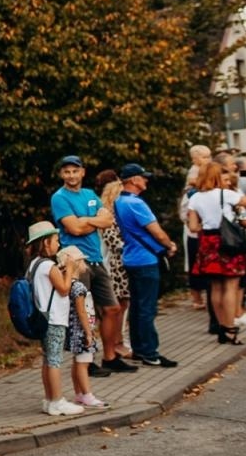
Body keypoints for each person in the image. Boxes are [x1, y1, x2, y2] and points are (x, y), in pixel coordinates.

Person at [50, 154, 122, 371]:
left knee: (112, 308)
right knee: (84, 313)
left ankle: (110, 357)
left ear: (82, 172)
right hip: (76, 261)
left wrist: (85, 220)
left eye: (75, 171)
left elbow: (108, 220)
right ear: (62, 174)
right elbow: (74, 229)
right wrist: (93, 221)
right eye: (67, 171)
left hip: (97, 259)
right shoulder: (59, 198)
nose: (71, 175)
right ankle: (85, 361)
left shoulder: (90, 194)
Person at [114, 163, 180, 367]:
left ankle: (139, 349)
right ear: (133, 180)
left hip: (131, 258)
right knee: (147, 308)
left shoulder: (118, 202)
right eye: (143, 177)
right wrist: (169, 245)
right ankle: (150, 353)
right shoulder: (137, 204)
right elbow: (156, 231)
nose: (146, 180)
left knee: (136, 307)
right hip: (146, 260)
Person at [187, 160, 246, 346]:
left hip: (208, 242)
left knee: (215, 287)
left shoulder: (195, 198)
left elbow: (193, 227)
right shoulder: (226, 194)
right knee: (231, 286)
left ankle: (220, 327)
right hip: (228, 241)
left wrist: (207, 224)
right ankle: (230, 328)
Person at [24, 222, 84, 416]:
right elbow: (65, 289)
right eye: (56, 240)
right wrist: (70, 269)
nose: (58, 244)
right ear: (45, 243)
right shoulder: (49, 266)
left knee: (48, 359)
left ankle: (49, 400)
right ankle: (57, 400)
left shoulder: (34, 265)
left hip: (42, 317)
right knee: (55, 361)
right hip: (55, 318)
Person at [94, 171, 138, 372]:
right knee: (115, 307)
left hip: (122, 265)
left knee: (122, 305)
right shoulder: (107, 214)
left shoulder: (117, 214)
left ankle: (118, 342)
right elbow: (114, 243)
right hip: (113, 267)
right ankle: (114, 345)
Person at [57, 247, 107, 408]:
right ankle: (87, 394)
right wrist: (88, 332)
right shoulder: (78, 287)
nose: (85, 264)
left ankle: (79, 393)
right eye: (82, 260)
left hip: (73, 330)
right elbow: (82, 311)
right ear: (76, 264)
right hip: (80, 330)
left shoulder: (68, 285)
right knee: (84, 362)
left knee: (78, 361)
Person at [184, 143, 213, 309]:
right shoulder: (195, 172)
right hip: (195, 224)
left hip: (199, 223)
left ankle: (202, 295)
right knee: (195, 259)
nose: (207, 160)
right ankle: (196, 296)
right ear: (195, 158)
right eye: (204, 156)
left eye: (209, 156)